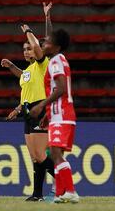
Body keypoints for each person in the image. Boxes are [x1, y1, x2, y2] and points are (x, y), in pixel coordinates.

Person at [0, 3, 55, 202]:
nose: (26, 51)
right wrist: (11, 66)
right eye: (24, 49)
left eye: (29, 48)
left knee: (40, 155)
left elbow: (47, 42)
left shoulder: (43, 64)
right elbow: (24, 82)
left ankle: (64, 182)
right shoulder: (30, 70)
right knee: (35, 157)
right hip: (27, 111)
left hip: (39, 109)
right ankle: (38, 194)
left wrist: (39, 24)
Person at [30, 29, 79, 203]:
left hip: (62, 115)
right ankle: (60, 193)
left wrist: (41, 105)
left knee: (56, 155)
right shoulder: (60, 58)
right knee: (55, 153)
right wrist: (47, 115)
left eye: (48, 42)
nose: (44, 44)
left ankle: (71, 191)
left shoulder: (55, 61)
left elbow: (60, 89)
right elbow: (53, 36)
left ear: (56, 47)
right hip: (60, 114)